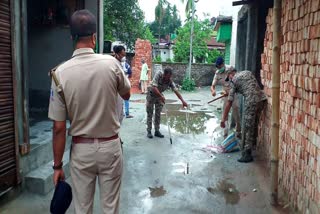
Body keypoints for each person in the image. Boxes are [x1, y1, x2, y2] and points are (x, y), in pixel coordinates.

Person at [48, 10, 131, 214]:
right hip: (110, 147)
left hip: (81, 151)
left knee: (82, 209)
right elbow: (127, 94)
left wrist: (57, 167)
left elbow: (58, 128)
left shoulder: (59, 74)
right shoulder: (112, 64)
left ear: (71, 38)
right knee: (110, 208)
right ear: (94, 38)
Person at [220, 69, 267, 163]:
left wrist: (223, 119)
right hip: (262, 99)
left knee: (248, 126)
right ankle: (253, 145)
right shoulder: (247, 72)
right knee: (254, 124)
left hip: (251, 100)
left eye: (229, 77)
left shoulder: (234, 81)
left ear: (231, 74)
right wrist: (230, 92)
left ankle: (247, 153)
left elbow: (229, 103)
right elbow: (248, 85)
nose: (229, 79)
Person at [146, 67, 188, 138]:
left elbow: (176, 91)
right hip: (151, 94)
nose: (167, 79)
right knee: (150, 113)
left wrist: (183, 101)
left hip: (159, 95)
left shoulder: (169, 81)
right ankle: (149, 131)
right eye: (167, 77)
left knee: (158, 113)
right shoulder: (159, 74)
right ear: (164, 74)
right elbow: (154, 87)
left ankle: (157, 131)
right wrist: (161, 97)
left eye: (169, 77)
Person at [211, 57, 241, 138]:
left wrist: (232, 90)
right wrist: (213, 91)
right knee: (225, 113)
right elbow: (213, 85)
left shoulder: (231, 68)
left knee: (236, 110)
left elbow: (236, 79)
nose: (219, 69)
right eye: (218, 67)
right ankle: (225, 133)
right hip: (225, 94)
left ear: (223, 64)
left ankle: (238, 131)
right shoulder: (217, 73)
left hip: (233, 92)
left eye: (220, 67)